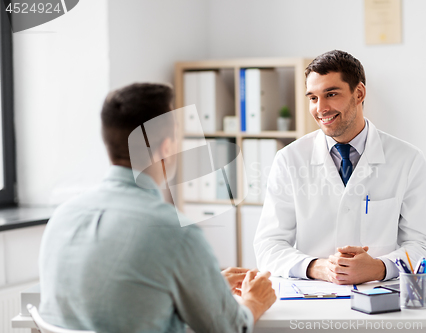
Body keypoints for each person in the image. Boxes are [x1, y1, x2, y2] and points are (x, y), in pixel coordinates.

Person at [39, 83, 276, 333]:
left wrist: (207, 286)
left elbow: (124, 299)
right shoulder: (175, 232)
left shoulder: (63, 217)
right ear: (165, 147)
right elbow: (228, 328)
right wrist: (254, 301)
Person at [254, 50, 426, 285]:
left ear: (359, 93)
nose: (320, 108)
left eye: (331, 94)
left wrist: (379, 268)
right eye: (313, 98)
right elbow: (268, 245)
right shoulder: (289, 159)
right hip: (313, 297)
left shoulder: (407, 159)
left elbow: (424, 246)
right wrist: (317, 267)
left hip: (381, 296)